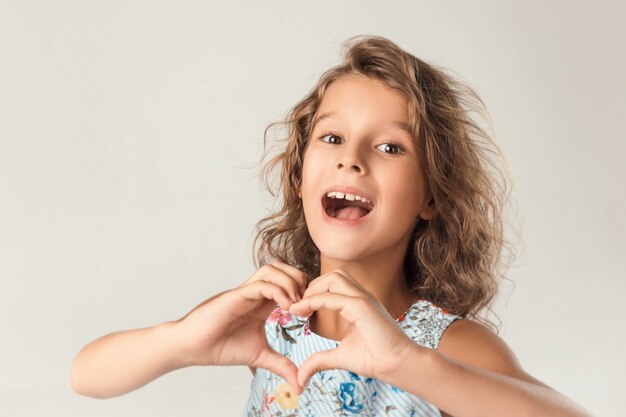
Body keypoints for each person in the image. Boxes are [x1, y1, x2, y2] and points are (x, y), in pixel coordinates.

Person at [70, 36, 592, 417]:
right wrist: (183, 341)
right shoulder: (275, 325)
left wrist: (407, 364)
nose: (353, 160)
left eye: (390, 147)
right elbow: (85, 376)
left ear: (431, 196)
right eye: (332, 138)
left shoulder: (446, 346)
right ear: (300, 177)